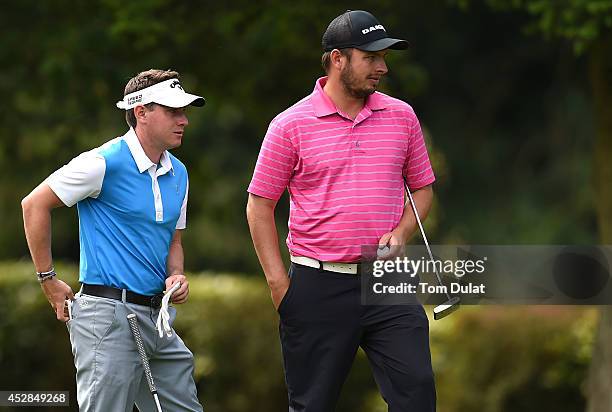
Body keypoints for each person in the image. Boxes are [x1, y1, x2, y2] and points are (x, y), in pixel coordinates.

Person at [246, 10, 437, 411]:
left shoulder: (401, 116)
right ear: (338, 59)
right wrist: (280, 286)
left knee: (417, 392)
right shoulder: (290, 125)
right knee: (312, 404)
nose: (382, 67)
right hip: (318, 284)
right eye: (371, 57)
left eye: (385, 58)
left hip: (388, 279)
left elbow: (422, 188)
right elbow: (260, 206)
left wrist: (401, 233)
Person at [21, 69, 205, 412]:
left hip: (156, 319)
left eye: (184, 112)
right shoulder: (101, 162)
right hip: (106, 318)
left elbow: (173, 239)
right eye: (173, 111)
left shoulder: (179, 172)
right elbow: (33, 205)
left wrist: (176, 275)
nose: (184, 121)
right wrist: (48, 280)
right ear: (141, 112)